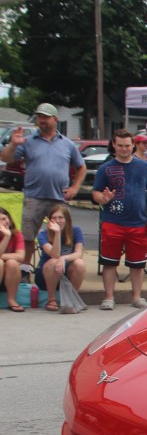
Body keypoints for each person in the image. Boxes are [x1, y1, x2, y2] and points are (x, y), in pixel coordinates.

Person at [0, 103, 86, 268]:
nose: (42, 120)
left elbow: (81, 167)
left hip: (59, 198)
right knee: (28, 237)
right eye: (40, 117)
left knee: (62, 236)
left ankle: (59, 269)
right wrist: (13, 144)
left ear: (55, 119)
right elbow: (6, 158)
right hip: (34, 197)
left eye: (46, 117)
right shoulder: (28, 141)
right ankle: (25, 270)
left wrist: (75, 188)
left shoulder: (67, 144)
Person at [92, 128, 147, 310]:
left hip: (138, 222)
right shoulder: (105, 168)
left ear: (133, 145)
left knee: (137, 263)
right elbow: (96, 192)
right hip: (112, 221)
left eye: (127, 145)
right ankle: (108, 297)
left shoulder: (144, 166)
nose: (124, 149)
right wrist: (103, 199)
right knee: (109, 261)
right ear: (114, 145)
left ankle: (137, 296)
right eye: (120, 145)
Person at [35, 204, 85, 310]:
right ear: (49, 220)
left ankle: (72, 299)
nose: (57, 221)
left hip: (66, 273)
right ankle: (51, 300)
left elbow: (79, 253)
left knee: (79, 263)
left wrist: (63, 258)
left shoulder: (76, 231)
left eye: (60, 217)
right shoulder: (43, 234)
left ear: (67, 219)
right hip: (46, 276)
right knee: (54, 261)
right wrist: (57, 233)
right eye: (54, 218)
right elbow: (55, 254)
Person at [0, 208, 26, 312]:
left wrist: (8, 235)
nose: (3, 222)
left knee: (12, 263)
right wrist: (6, 237)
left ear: (9, 219)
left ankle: (11, 299)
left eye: (4, 218)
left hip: (9, 278)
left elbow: (20, 257)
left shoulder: (17, 234)